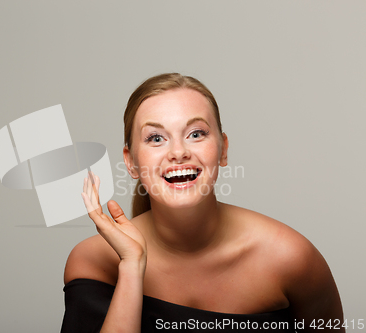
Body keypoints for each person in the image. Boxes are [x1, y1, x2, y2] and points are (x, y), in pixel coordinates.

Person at [60, 73, 344, 332]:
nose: (179, 152)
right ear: (131, 162)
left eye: (196, 134)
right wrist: (132, 267)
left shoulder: (291, 258)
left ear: (223, 150)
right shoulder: (93, 261)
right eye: (156, 138)